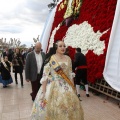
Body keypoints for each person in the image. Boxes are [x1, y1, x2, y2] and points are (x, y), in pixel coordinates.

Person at [31, 40, 84, 120]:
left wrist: (73, 88)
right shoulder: (51, 59)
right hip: (52, 86)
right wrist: (44, 92)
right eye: (60, 46)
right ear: (56, 47)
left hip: (66, 86)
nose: (63, 48)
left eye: (64, 46)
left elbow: (70, 75)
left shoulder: (68, 59)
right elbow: (45, 76)